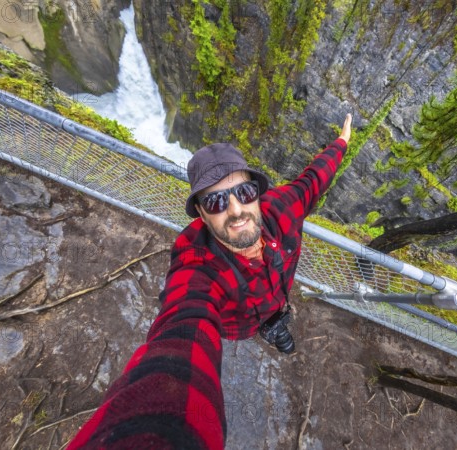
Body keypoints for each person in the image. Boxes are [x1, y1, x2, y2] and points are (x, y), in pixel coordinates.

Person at [67, 114, 353, 449]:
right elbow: (183, 325)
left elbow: (313, 180)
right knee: (258, 328)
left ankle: (277, 330)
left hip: (275, 303)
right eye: (216, 201)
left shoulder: (280, 209)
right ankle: (268, 329)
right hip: (240, 324)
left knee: (279, 327)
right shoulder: (197, 261)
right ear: (202, 214)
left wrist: (342, 142)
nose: (235, 210)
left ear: (257, 195)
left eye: (244, 192)